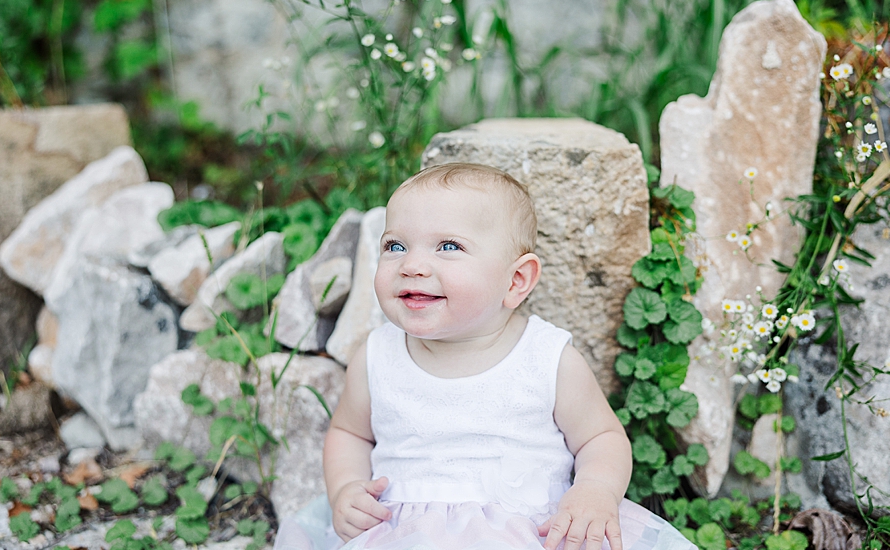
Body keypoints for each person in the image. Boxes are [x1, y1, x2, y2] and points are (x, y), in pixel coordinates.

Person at [275, 163, 696, 550]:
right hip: (400, 533)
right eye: (396, 246)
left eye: (449, 247)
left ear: (516, 281)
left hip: (532, 530)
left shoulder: (546, 359)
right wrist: (346, 488)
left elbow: (600, 438)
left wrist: (596, 491)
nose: (413, 265)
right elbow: (350, 433)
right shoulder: (377, 356)